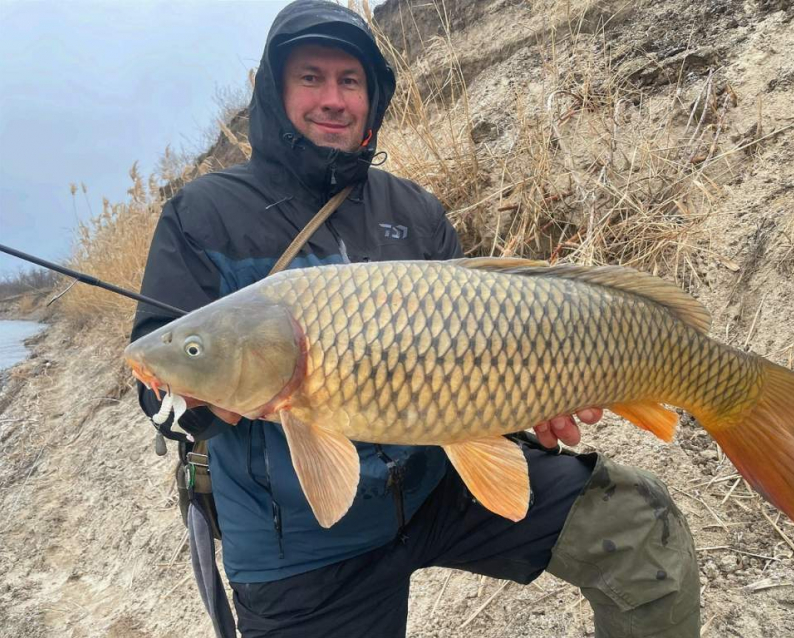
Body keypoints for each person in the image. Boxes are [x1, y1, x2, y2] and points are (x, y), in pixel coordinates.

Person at [130, 1, 700, 636]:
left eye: (351, 82)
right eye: (311, 77)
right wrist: (219, 398)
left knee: (641, 524)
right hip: (300, 547)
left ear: (372, 101)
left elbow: (477, 367)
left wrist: (532, 407)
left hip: (438, 486)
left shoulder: (415, 210)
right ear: (274, 91)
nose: (333, 98)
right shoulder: (202, 214)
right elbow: (156, 393)